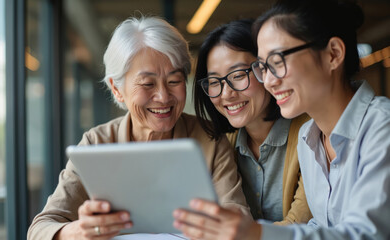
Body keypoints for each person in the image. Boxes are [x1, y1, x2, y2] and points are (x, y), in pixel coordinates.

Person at [173, 0, 390, 239]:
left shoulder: (382, 128)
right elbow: (320, 227)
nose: (268, 81)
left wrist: (257, 233)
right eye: (264, 68)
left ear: (333, 54)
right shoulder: (311, 138)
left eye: (278, 62)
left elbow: (367, 234)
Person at [27, 16, 249, 240]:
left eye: (174, 81)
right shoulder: (97, 144)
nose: (163, 97)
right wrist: (78, 231)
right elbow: (39, 230)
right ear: (116, 88)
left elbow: (238, 216)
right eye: (147, 84)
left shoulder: (209, 138)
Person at [192, 19, 311, 224]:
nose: (227, 93)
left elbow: (300, 223)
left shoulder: (311, 133)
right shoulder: (221, 145)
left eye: (238, 75)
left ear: (265, 69)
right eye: (214, 82)